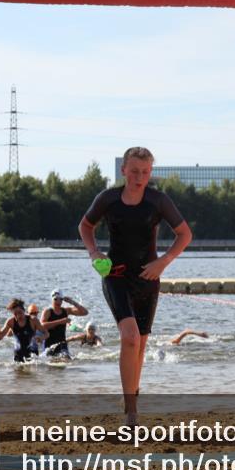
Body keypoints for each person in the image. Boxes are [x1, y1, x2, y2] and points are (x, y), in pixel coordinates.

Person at [78, 146, 192, 426]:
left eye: (145, 172)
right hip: (115, 275)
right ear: (123, 170)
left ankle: (132, 395)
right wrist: (94, 253)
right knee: (129, 337)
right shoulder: (108, 198)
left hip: (148, 278)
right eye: (134, 171)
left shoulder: (158, 200)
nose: (139, 177)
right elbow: (85, 226)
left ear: (150, 172)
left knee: (140, 344)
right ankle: (131, 412)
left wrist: (163, 262)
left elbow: (184, 234)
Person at [0, 298, 47, 362]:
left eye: (20, 312)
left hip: (33, 356)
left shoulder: (33, 320)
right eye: (15, 314)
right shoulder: (11, 322)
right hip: (18, 355)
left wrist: (41, 338)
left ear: (24, 310)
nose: (18, 316)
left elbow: (47, 334)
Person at [41, 289, 89, 359]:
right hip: (49, 343)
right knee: (49, 362)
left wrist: (72, 302)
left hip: (62, 343)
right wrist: (61, 321)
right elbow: (42, 326)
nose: (58, 301)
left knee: (67, 359)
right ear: (52, 299)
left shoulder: (66, 311)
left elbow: (85, 312)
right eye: (55, 299)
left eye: (60, 299)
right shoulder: (48, 311)